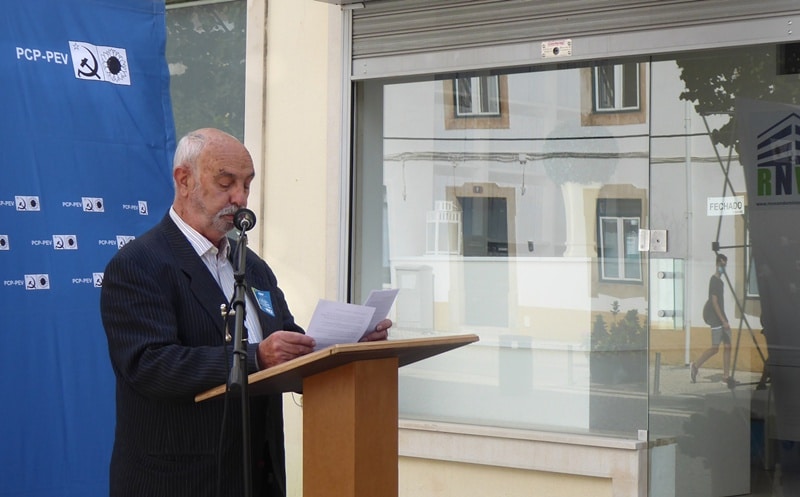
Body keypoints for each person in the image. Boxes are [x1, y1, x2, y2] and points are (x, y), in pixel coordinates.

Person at [100, 128, 391, 497]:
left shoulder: (251, 266)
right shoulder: (139, 264)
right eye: (226, 183)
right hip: (180, 480)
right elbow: (149, 365)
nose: (239, 198)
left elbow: (288, 343)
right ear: (184, 180)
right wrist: (255, 358)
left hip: (257, 475)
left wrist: (347, 346)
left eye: (247, 185)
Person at [691, 253, 732, 386]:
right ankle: (695, 366)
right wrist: (723, 321)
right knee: (715, 348)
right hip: (716, 319)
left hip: (722, 318)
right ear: (717, 264)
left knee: (728, 346)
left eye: (725, 265)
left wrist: (724, 319)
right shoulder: (714, 281)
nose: (723, 267)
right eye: (721, 265)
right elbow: (714, 302)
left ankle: (726, 377)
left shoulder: (720, 282)